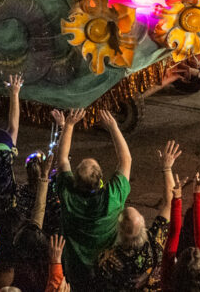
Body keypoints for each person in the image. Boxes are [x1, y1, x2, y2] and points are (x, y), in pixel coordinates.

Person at [51, 108, 132, 288]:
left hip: (76, 274)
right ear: (101, 178)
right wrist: (113, 127)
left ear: (75, 180)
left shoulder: (67, 194)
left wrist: (69, 125)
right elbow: (126, 160)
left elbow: (62, 159)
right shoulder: (112, 197)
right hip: (107, 271)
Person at [95, 140, 178, 291]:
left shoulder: (108, 260)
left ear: (119, 231)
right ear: (143, 229)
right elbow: (170, 203)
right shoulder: (155, 246)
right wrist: (167, 169)